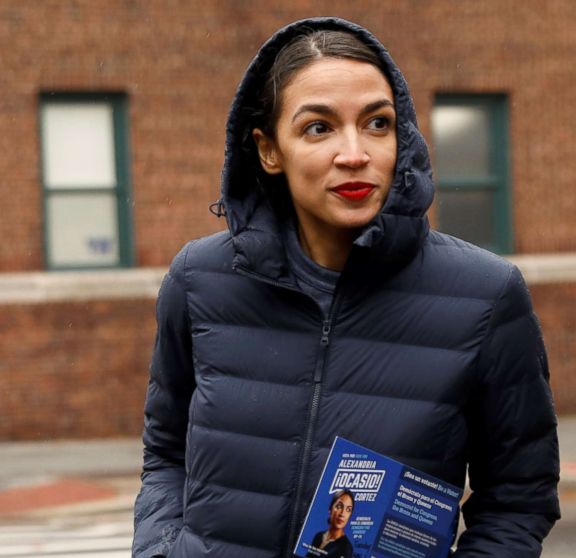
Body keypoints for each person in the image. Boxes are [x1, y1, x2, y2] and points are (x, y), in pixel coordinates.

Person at [132, 17, 560, 558]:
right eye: (319, 128)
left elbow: (518, 498)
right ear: (269, 150)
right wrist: (160, 549)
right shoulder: (200, 280)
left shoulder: (487, 295)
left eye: (378, 124)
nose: (355, 153)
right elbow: (166, 453)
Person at [305, 490, 354, 558]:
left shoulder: (346, 547)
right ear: (330, 509)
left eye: (348, 510)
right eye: (339, 506)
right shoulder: (318, 536)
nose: (342, 514)